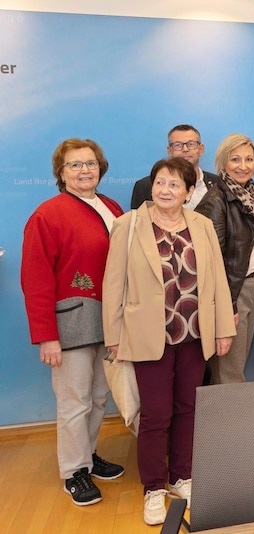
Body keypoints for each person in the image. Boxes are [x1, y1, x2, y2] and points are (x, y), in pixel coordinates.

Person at [103, 157, 236, 525]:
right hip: (150, 335)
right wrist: (113, 335)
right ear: (152, 186)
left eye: (175, 185)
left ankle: (182, 476)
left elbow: (217, 281)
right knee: (155, 415)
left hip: (194, 333)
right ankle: (154, 488)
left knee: (188, 409)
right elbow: (113, 283)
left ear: (189, 192)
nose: (166, 190)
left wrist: (223, 328)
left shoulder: (203, 225)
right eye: (161, 182)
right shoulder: (128, 225)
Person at [21, 138, 125, 507]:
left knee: (98, 397)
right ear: (61, 173)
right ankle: (73, 472)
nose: (85, 170)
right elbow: (35, 279)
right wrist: (47, 337)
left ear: (101, 167)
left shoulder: (111, 206)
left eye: (91, 163)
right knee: (74, 400)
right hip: (71, 322)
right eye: (75, 165)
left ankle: (89, 455)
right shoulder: (47, 215)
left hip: (109, 318)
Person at [195, 134, 254, 384]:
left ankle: (228, 417)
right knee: (229, 368)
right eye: (236, 159)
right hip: (232, 291)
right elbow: (213, 261)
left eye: (249, 159)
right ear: (223, 163)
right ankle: (228, 421)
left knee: (236, 362)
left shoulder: (252, 195)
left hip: (251, 285)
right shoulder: (217, 199)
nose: (243, 166)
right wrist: (227, 307)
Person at [130, 124, 219, 210]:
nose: (185, 149)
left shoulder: (217, 183)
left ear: (201, 149)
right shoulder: (145, 186)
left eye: (191, 144)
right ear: (169, 151)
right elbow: (138, 222)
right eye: (178, 145)